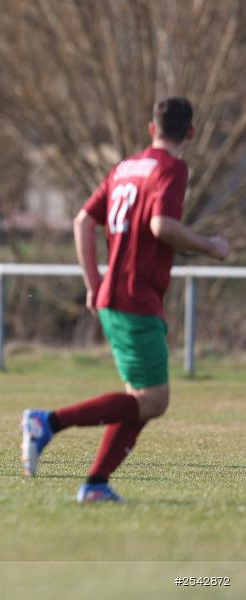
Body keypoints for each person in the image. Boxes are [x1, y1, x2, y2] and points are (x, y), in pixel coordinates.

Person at [21, 97, 228, 502]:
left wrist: (93, 280)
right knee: (153, 400)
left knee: (142, 401)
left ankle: (96, 485)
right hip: (134, 297)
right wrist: (209, 246)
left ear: (152, 129)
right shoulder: (171, 168)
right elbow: (161, 224)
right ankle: (47, 422)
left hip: (115, 295)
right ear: (190, 133)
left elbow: (83, 221)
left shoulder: (124, 169)